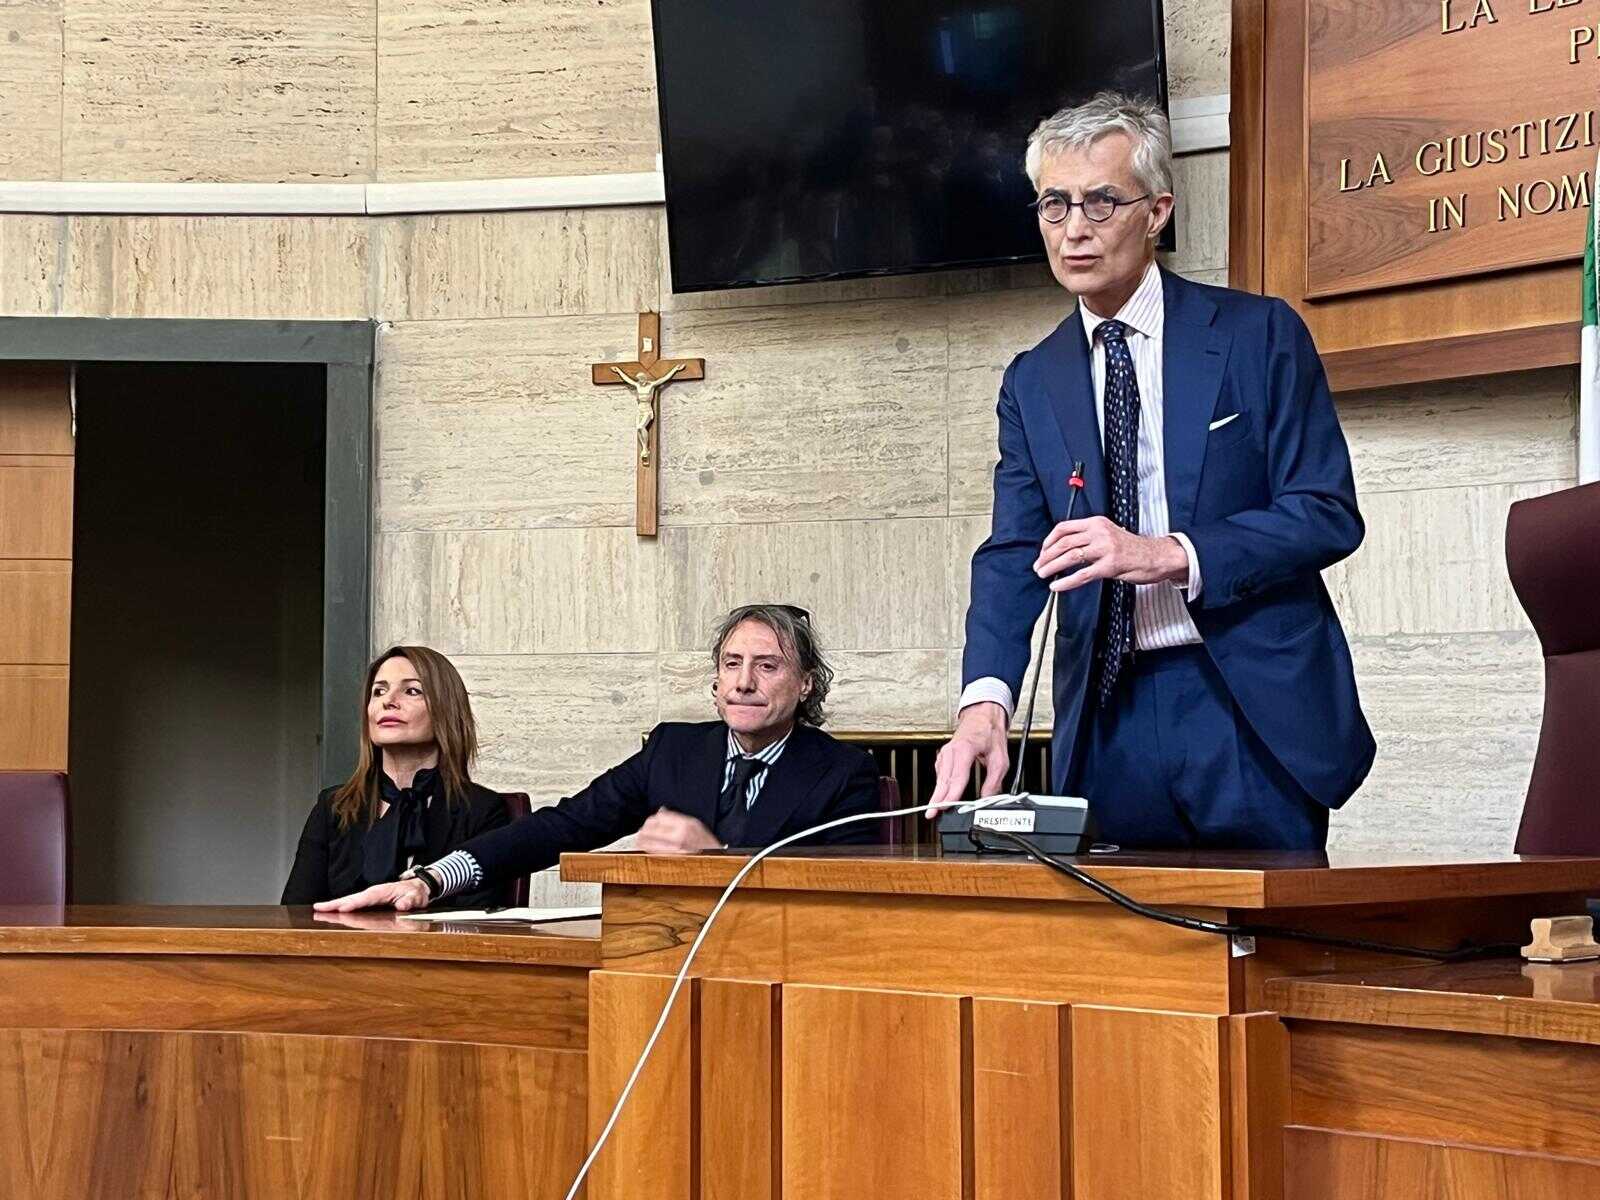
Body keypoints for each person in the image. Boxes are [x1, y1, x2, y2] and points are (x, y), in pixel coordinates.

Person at [930, 92, 1374, 851]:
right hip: (1109, 717)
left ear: (1157, 212)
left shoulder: (1258, 334)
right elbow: (1013, 553)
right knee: (1119, 929)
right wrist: (984, 702)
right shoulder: (1032, 381)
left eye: (1101, 202)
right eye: (1054, 205)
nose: (1074, 229)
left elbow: (1325, 511)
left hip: (1245, 704)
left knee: (1266, 926)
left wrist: (1166, 553)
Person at [315, 604, 881, 913]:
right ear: (715, 680)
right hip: (660, 962)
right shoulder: (674, 750)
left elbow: (843, 899)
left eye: (767, 666)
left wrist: (718, 859)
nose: (744, 683)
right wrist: (433, 879)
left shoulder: (843, 771)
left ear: (806, 684)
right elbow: (564, 825)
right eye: (731, 664)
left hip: (780, 972)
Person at [281, 646, 510, 905]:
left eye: (412, 691)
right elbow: (296, 913)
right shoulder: (333, 806)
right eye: (378, 691)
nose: (388, 701)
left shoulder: (482, 810)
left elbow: (480, 922)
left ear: (446, 709)